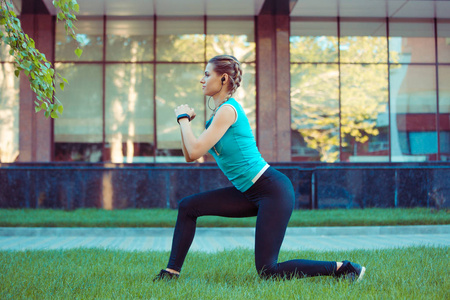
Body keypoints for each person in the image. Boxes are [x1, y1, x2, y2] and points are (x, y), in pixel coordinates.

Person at [153, 55, 365, 282]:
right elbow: (189, 155)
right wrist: (184, 122)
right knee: (188, 207)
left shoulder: (228, 111)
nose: (202, 80)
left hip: (271, 189)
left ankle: (345, 268)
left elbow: (193, 151)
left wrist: (183, 119)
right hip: (249, 191)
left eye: (207, 74)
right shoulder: (217, 116)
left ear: (223, 78)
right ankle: (170, 273)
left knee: (268, 270)